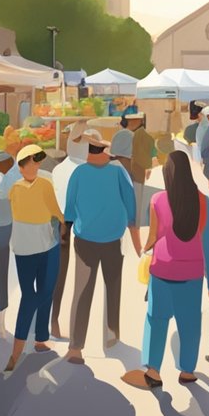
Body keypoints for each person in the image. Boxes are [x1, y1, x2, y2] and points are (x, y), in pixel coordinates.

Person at [121, 150, 209, 389]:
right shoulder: (201, 199)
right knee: (191, 321)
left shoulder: (158, 200)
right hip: (193, 269)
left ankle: (153, 371)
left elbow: (153, 235)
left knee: (156, 318)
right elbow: (201, 232)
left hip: (162, 268)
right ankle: (187, 371)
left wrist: (145, 249)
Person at [63, 129, 141, 364]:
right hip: (112, 241)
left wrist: (66, 235)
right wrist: (138, 245)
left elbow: (68, 208)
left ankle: (76, 347)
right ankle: (112, 334)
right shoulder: (119, 173)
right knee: (113, 286)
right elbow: (131, 210)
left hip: (85, 240)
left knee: (82, 291)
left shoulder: (78, 173)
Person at [5, 144, 64, 372]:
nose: (36, 166)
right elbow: (57, 212)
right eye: (32, 162)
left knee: (41, 292)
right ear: (21, 166)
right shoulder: (25, 188)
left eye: (37, 162)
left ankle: (40, 337)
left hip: (33, 246)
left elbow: (53, 211)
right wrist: (63, 222)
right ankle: (17, 351)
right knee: (34, 295)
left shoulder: (23, 187)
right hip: (37, 247)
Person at [49, 120, 91, 339]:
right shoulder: (83, 170)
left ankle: (55, 320)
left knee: (59, 275)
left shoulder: (59, 168)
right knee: (73, 277)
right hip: (72, 226)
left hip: (60, 225)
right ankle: (61, 322)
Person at [0, 151, 20, 340]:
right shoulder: (1, 180)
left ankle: (2, 321)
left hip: (4, 232)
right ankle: (2, 321)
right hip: (9, 232)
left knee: (2, 276)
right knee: (4, 277)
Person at [128, 112, 157, 227]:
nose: (130, 123)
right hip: (142, 174)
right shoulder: (147, 137)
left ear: (140, 122)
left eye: (133, 121)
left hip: (137, 173)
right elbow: (153, 156)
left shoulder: (135, 137)